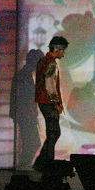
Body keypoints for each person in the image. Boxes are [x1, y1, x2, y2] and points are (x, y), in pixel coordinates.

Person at [33, 35, 69, 170]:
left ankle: (41, 162)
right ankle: (46, 164)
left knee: (53, 133)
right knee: (53, 133)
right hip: (48, 102)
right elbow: (50, 86)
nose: (63, 54)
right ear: (57, 49)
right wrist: (57, 103)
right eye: (62, 50)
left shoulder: (43, 61)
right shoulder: (51, 63)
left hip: (43, 101)